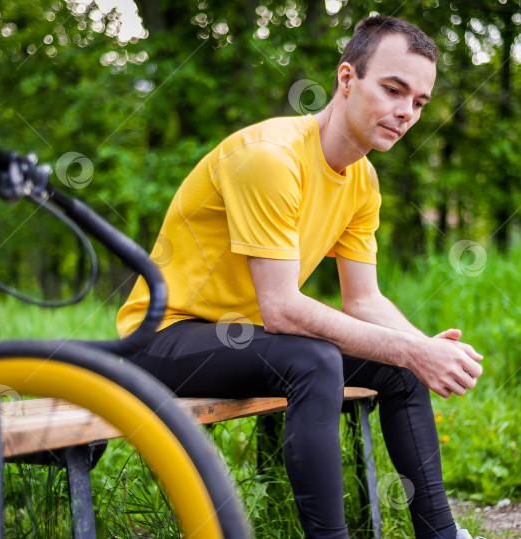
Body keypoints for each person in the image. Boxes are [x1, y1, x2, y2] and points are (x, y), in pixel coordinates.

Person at [117, 14, 485, 539]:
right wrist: (411, 348)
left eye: (419, 102)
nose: (405, 112)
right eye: (393, 89)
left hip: (243, 336)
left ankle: (440, 533)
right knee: (314, 359)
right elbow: (283, 309)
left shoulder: (363, 179)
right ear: (346, 79)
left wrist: (422, 348)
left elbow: (364, 300)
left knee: (400, 366)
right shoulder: (270, 159)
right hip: (163, 335)